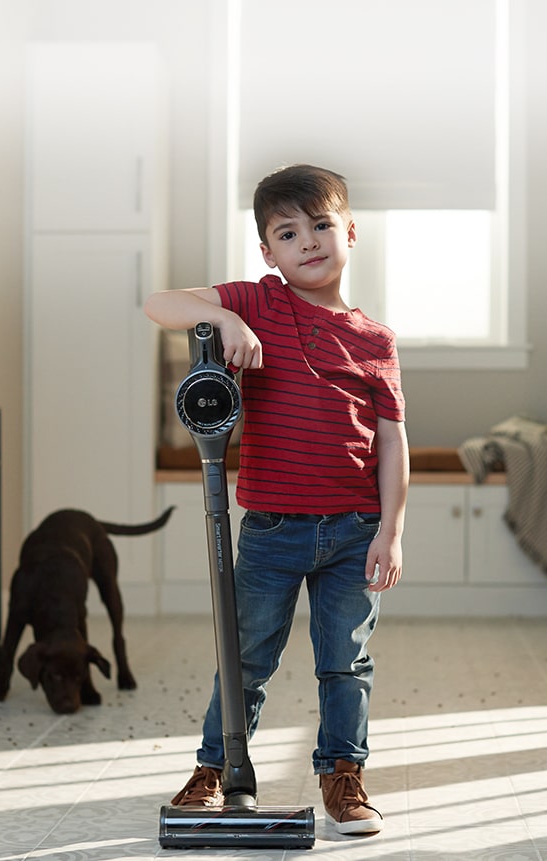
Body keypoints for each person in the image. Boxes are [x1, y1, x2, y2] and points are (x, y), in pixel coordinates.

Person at [144, 164, 408, 835]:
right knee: (246, 658)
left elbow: (391, 441)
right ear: (268, 252)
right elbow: (158, 303)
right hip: (271, 529)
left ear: (350, 232)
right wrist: (222, 315)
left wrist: (391, 531)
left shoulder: (375, 340)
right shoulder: (258, 302)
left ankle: (342, 774)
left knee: (345, 662)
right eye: (288, 233)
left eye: (321, 225)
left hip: (354, 529)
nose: (308, 241)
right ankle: (215, 767)